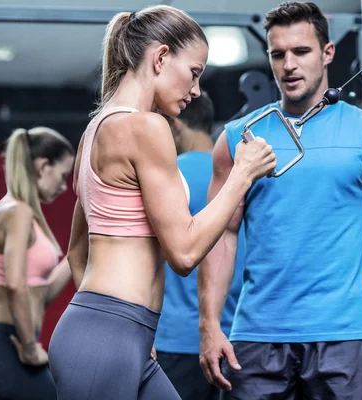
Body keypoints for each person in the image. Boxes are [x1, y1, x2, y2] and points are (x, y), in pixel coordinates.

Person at [47, 5, 276, 400]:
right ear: (161, 57)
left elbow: (77, 254)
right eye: (194, 72)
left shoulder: (95, 131)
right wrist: (242, 175)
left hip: (114, 335)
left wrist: (130, 333)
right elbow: (184, 254)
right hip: (108, 339)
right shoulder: (145, 127)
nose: (196, 90)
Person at [198, 2, 362, 399]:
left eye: (301, 51)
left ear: (327, 53)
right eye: (278, 54)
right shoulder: (239, 138)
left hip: (342, 336)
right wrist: (210, 324)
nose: (289, 65)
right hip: (256, 336)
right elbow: (221, 235)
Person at [0, 127, 76, 400]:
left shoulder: (14, 209)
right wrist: (28, 345)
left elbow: (40, 294)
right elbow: (15, 284)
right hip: (5, 344)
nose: (63, 186)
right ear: (42, 166)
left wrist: (77, 255)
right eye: (61, 176)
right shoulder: (19, 211)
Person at [154, 90, 245, 400]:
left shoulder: (165, 177)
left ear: (176, 126)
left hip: (176, 340)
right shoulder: (239, 178)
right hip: (234, 338)